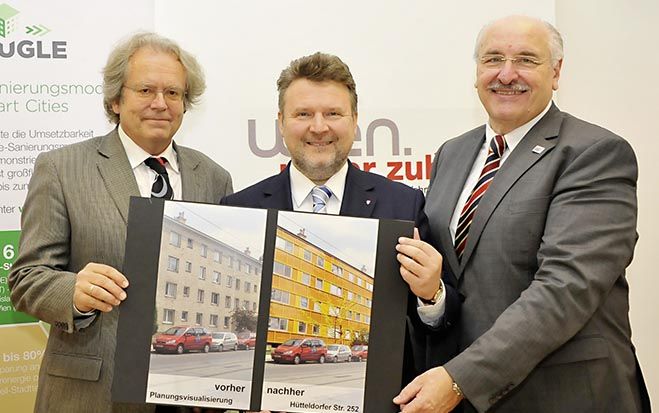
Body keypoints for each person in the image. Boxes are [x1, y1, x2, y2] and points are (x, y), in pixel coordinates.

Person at [394, 15, 651, 413]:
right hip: (462, 396)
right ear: (477, 71)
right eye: (493, 59)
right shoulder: (452, 153)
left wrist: (462, 378)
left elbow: (566, 288)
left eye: (526, 60)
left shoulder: (594, 152)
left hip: (563, 397)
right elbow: (454, 279)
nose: (506, 74)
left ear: (556, 72)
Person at [8, 32, 233, 413]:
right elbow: (26, 278)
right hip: (93, 395)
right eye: (145, 90)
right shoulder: (61, 168)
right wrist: (73, 292)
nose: (160, 104)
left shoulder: (214, 177)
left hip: (190, 391)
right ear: (116, 98)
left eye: (173, 93)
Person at [221, 52, 460, 394]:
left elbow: (444, 322)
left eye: (333, 113)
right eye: (303, 114)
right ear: (281, 122)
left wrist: (432, 294)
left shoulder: (404, 203)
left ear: (354, 120)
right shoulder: (240, 207)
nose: (319, 127)